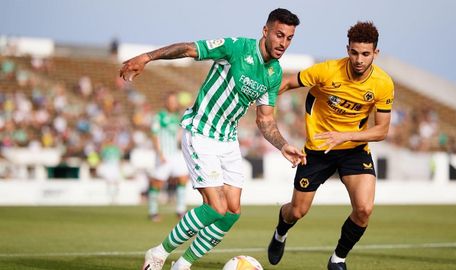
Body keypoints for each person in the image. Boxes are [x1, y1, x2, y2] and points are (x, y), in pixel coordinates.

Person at [119, 8, 305, 270]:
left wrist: (283, 145)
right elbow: (187, 49)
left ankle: (182, 264)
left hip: (228, 140)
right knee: (216, 208)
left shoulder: (274, 73)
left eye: (289, 38)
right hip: (201, 132)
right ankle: (158, 253)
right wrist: (147, 57)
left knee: (231, 213)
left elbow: (265, 120)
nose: (283, 43)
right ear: (265, 31)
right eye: (279, 35)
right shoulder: (235, 48)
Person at [267, 21, 394, 270]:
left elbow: (382, 131)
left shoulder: (383, 83)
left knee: (364, 209)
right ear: (348, 49)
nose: (359, 59)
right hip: (317, 151)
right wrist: (261, 100)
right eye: (354, 52)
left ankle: (338, 259)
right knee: (297, 211)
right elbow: (288, 84)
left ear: (375, 54)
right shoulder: (327, 70)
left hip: (354, 151)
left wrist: (343, 135)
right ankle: (281, 232)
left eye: (366, 54)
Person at [147, 92, 189, 222]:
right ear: (166, 102)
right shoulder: (159, 116)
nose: (173, 103)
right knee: (157, 182)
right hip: (164, 153)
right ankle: (152, 211)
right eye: (170, 101)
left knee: (182, 178)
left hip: (176, 154)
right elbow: (154, 134)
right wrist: (159, 153)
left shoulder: (178, 116)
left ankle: (180, 209)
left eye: (174, 101)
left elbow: (178, 134)